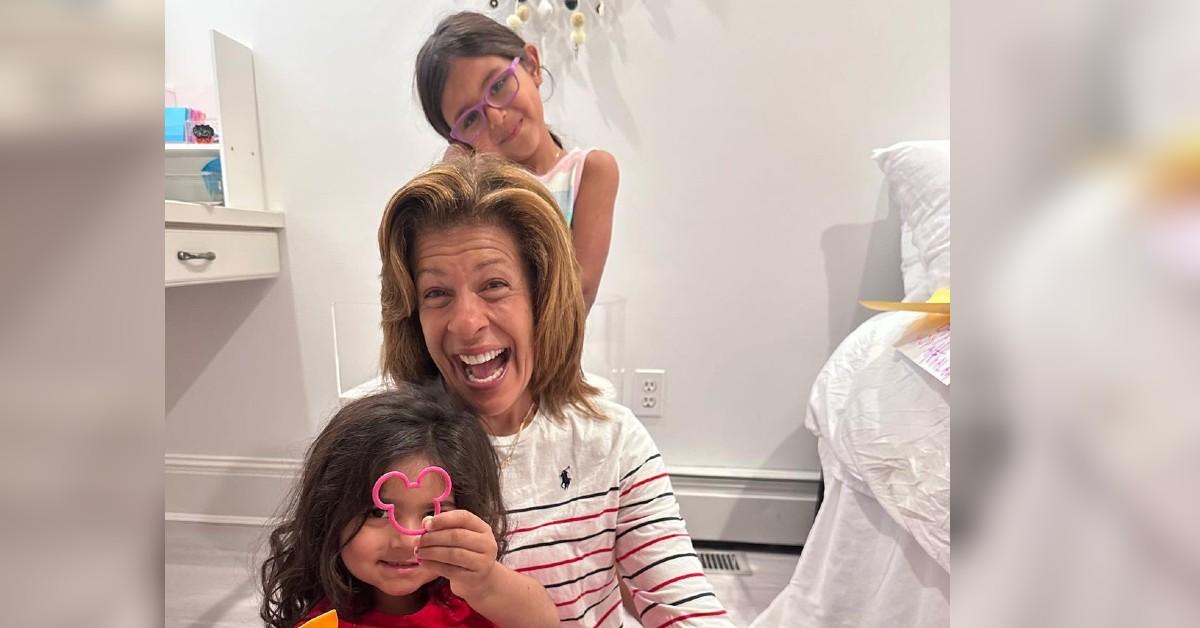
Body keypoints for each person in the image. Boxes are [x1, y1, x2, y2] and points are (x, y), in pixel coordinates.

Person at [377, 154, 731, 626]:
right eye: (436, 293)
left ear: (542, 297)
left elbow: (684, 606)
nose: (466, 322)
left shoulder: (611, 440)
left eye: (494, 285)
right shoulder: (379, 439)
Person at [259, 383, 558, 628]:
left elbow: (545, 623)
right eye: (378, 512)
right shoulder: (325, 623)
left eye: (432, 513)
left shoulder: (472, 593)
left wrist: (485, 580)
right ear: (329, 514)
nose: (406, 540)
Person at [415, 10, 618, 313]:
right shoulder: (477, 192)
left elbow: (577, 295)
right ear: (458, 142)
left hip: (551, 345)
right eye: (470, 119)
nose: (496, 117)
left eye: (498, 86)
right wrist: (457, 169)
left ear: (531, 64)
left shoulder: (590, 172)